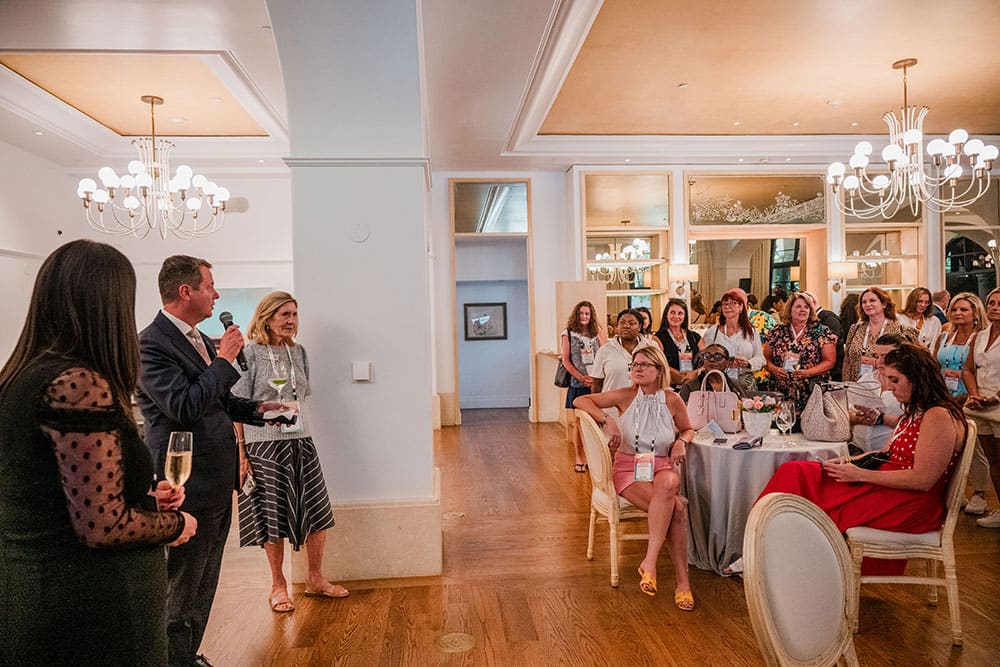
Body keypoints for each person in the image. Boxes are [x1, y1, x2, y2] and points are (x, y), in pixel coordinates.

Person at [0, 240, 197, 666]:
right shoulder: (78, 384)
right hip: (90, 604)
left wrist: (144, 500)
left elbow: (56, 492)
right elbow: (102, 526)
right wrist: (175, 524)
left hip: (34, 589)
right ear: (109, 306)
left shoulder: (20, 376)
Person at [137, 255, 279, 667]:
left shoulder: (197, 337)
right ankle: (172, 660)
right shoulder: (151, 344)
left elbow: (218, 401)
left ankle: (189, 655)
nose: (216, 295)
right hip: (185, 483)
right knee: (182, 586)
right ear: (186, 291)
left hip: (217, 480)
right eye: (210, 287)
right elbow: (183, 407)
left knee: (205, 583)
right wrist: (224, 360)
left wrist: (263, 411)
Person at [754, 343, 967, 576]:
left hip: (908, 503)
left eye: (895, 380)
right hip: (887, 485)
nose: (890, 387)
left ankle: (781, 559)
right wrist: (848, 462)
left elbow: (922, 479)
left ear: (917, 379)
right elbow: (884, 453)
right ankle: (766, 548)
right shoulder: (917, 411)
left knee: (813, 495)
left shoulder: (938, 416)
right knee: (796, 472)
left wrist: (859, 474)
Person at [232, 292, 348, 614]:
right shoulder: (249, 353)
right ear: (266, 317)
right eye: (284, 314)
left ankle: (315, 578)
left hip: (300, 441)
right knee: (272, 515)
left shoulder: (299, 352)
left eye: (294, 314)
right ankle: (278, 584)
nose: (291, 320)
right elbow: (236, 406)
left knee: (317, 511)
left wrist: (289, 417)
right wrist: (241, 452)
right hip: (263, 445)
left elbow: (302, 396)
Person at [573, 345, 695, 610]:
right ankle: (681, 582)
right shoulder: (626, 395)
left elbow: (688, 429)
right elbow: (580, 401)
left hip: (661, 465)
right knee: (676, 509)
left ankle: (649, 563)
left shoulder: (673, 399)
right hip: (630, 468)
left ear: (659, 370)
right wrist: (607, 420)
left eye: (644, 365)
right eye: (634, 365)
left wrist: (681, 442)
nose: (637, 369)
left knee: (670, 482)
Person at [933, 293, 991, 516]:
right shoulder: (944, 336)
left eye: (964, 309)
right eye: (955, 309)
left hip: (971, 398)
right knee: (948, 446)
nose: (958, 313)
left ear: (975, 312)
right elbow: (935, 365)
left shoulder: (981, 338)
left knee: (975, 448)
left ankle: (980, 493)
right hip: (945, 398)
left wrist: (969, 395)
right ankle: (955, 490)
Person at [961, 287, 1000, 528]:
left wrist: (995, 398)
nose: (995, 307)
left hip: (997, 402)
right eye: (991, 303)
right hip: (980, 404)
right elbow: (968, 368)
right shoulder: (981, 336)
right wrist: (974, 394)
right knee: (992, 459)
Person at [763, 292, 837, 414]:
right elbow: (765, 359)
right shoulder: (777, 332)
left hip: (810, 390)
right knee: (783, 422)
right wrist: (774, 370)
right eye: (798, 306)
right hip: (780, 390)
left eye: (806, 307)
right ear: (790, 310)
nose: (803, 310)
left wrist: (808, 372)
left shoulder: (821, 332)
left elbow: (830, 361)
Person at [561, 300, 606, 473]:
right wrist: (581, 377)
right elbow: (566, 360)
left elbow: (606, 353)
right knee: (580, 422)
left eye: (587, 313)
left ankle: (597, 457)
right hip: (578, 383)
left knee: (597, 421)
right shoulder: (568, 333)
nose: (584, 316)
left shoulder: (598, 332)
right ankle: (580, 457)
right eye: (581, 313)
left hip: (597, 383)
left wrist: (596, 378)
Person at [698, 288, 764, 394]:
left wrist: (748, 363)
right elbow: (703, 355)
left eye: (733, 303)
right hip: (719, 382)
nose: (728, 307)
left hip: (745, 382)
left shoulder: (751, 332)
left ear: (741, 307)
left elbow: (760, 358)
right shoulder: (713, 332)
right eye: (725, 304)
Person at [841, 287, 908, 382]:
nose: (868, 304)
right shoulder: (855, 329)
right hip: (857, 385)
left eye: (872, 300)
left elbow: (908, 363)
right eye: (864, 302)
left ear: (884, 304)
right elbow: (847, 361)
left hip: (887, 384)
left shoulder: (900, 330)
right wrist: (846, 384)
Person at [591, 309, 643, 394]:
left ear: (639, 327)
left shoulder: (650, 347)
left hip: (643, 401)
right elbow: (597, 384)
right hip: (612, 401)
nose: (626, 326)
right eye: (622, 322)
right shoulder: (605, 350)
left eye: (631, 323)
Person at [654, 298, 702, 387]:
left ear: (685, 316)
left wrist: (694, 373)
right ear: (666, 314)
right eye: (672, 312)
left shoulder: (695, 337)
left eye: (680, 313)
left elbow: (707, 359)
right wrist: (682, 377)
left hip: (695, 385)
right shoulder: (658, 338)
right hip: (670, 386)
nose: (676, 317)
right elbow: (659, 364)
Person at [800, 290, 844, 381]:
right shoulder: (808, 321)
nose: (802, 309)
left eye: (805, 304)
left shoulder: (828, 318)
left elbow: (832, 345)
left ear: (813, 302)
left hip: (831, 373)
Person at [677, 344, 744, 401]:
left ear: (728, 362)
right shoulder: (690, 386)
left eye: (718, 356)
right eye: (707, 356)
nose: (711, 360)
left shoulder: (735, 385)